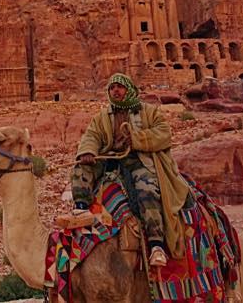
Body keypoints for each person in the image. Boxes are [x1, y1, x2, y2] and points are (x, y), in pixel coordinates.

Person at [70, 73, 191, 267]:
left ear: (129, 89)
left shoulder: (148, 112)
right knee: (80, 168)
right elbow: (91, 136)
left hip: (139, 160)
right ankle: (81, 210)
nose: (115, 90)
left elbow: (163, 133)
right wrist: (88, 151)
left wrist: (136, 140)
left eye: (119, 86)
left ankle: (156, 244)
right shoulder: (103, 116)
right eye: (112, 88)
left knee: (147, 189)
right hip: (111, 160)